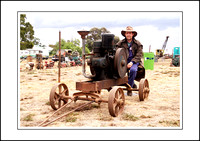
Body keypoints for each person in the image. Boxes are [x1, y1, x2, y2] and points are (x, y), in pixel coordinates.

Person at [116, 26, 143, 92]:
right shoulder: (120, 43)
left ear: (133, 34)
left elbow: (139, 55)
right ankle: (131, 84)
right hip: (123, 61)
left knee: (133, 70)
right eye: (127, 33)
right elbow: (117, 53)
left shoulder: (138, 44)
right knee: (115, 72)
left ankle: (129, 89)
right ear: (125, 34)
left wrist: (132, 62)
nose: (128, 35)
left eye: (130, 33)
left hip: (134, 61)